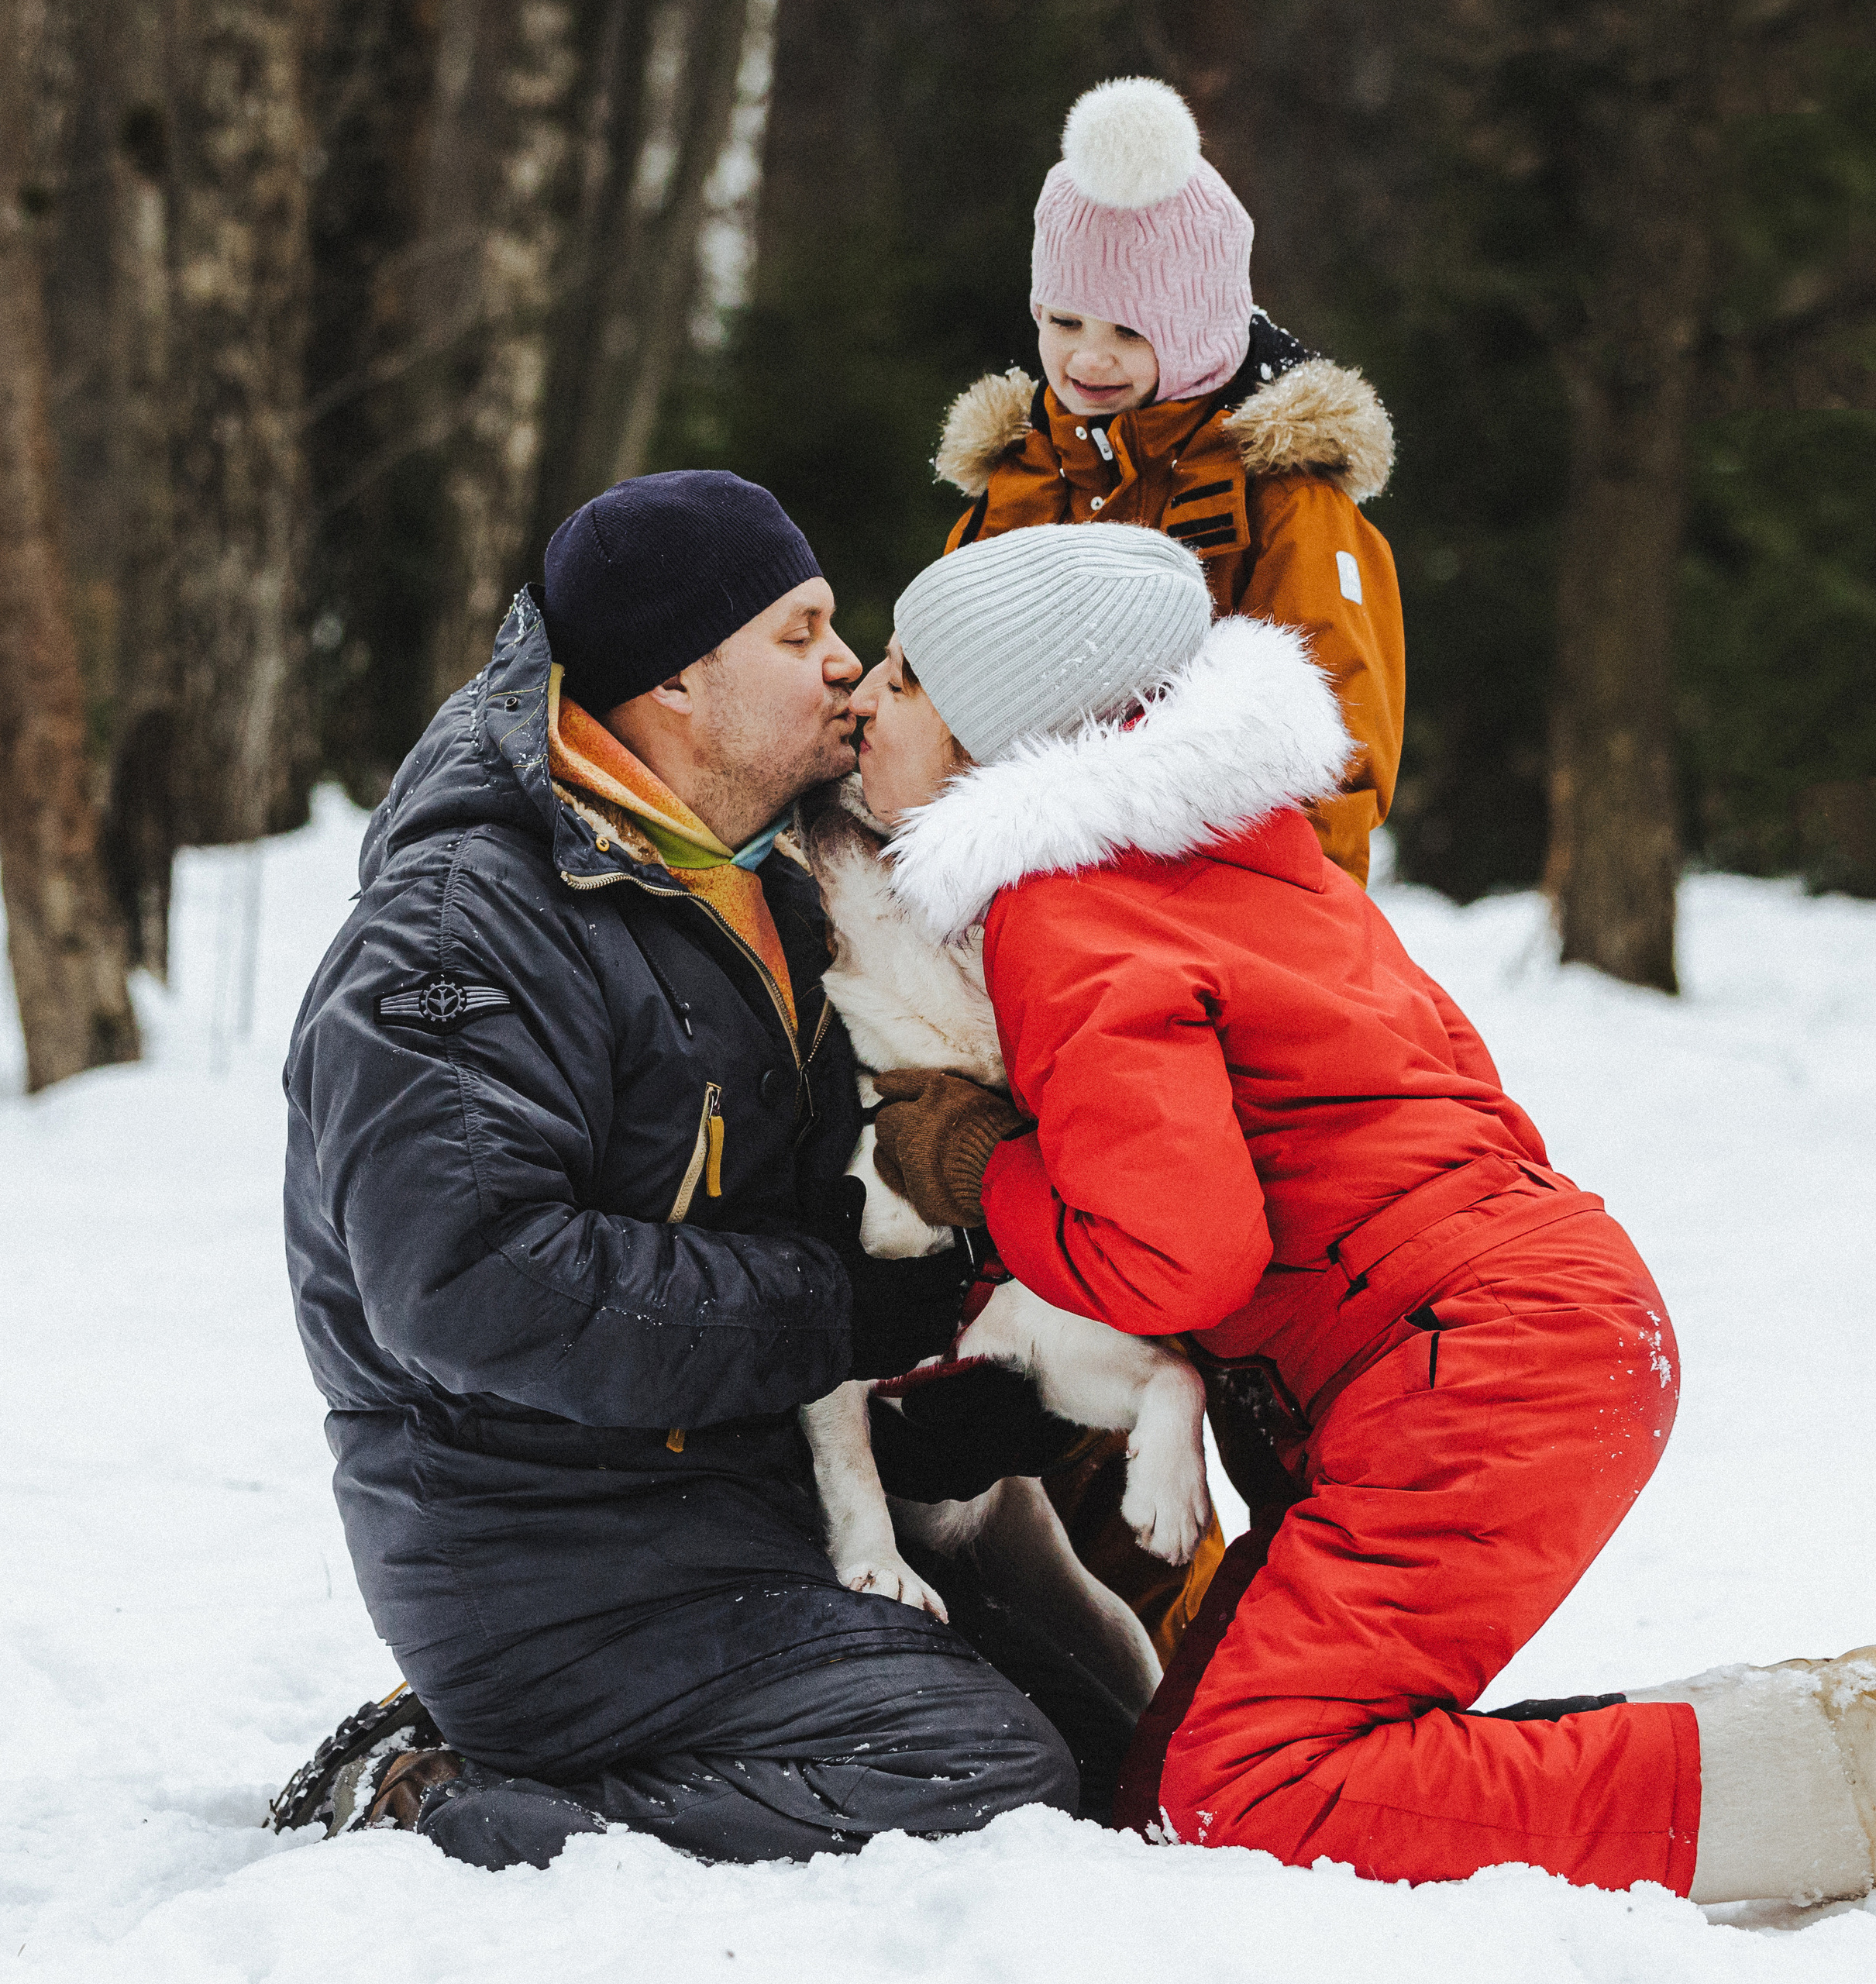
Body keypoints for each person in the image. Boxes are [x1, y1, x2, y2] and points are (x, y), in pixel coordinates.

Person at [852, 519, 1876, 1904]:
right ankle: (1781, 1753)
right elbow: (1439, 1096)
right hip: (1534, 1325)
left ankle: (1826, 1784)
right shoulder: (1256, 858)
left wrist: (976, 1164)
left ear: (1000, 732)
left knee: (1240, 1801)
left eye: (909, 677)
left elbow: (1175, 1254)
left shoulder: (1066, 908)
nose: (863, 695)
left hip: (1468, 1368)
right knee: (1169, 1800)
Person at [275, 470, 1077, 1867]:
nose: (846, 663)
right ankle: (449, 1799)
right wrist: (834, 1313)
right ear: (677, 680)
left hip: (724, 1510)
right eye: (799, 632)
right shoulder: (463, 932)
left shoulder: (758, 879)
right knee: (986, 1772)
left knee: (1125, 1739)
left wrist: (960, 1370)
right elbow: (468, 1281)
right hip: (547, 1559)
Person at [932, 75, 1403, 890]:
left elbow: (1340, 748)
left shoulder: (1284, 498)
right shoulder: (1025, 473)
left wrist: (1294, 915)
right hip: (1018, 891)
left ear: (1196, 331)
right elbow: (940, 687)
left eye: (1129, 331)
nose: (1088, 358)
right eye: (1065, 321)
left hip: (1211, 896)